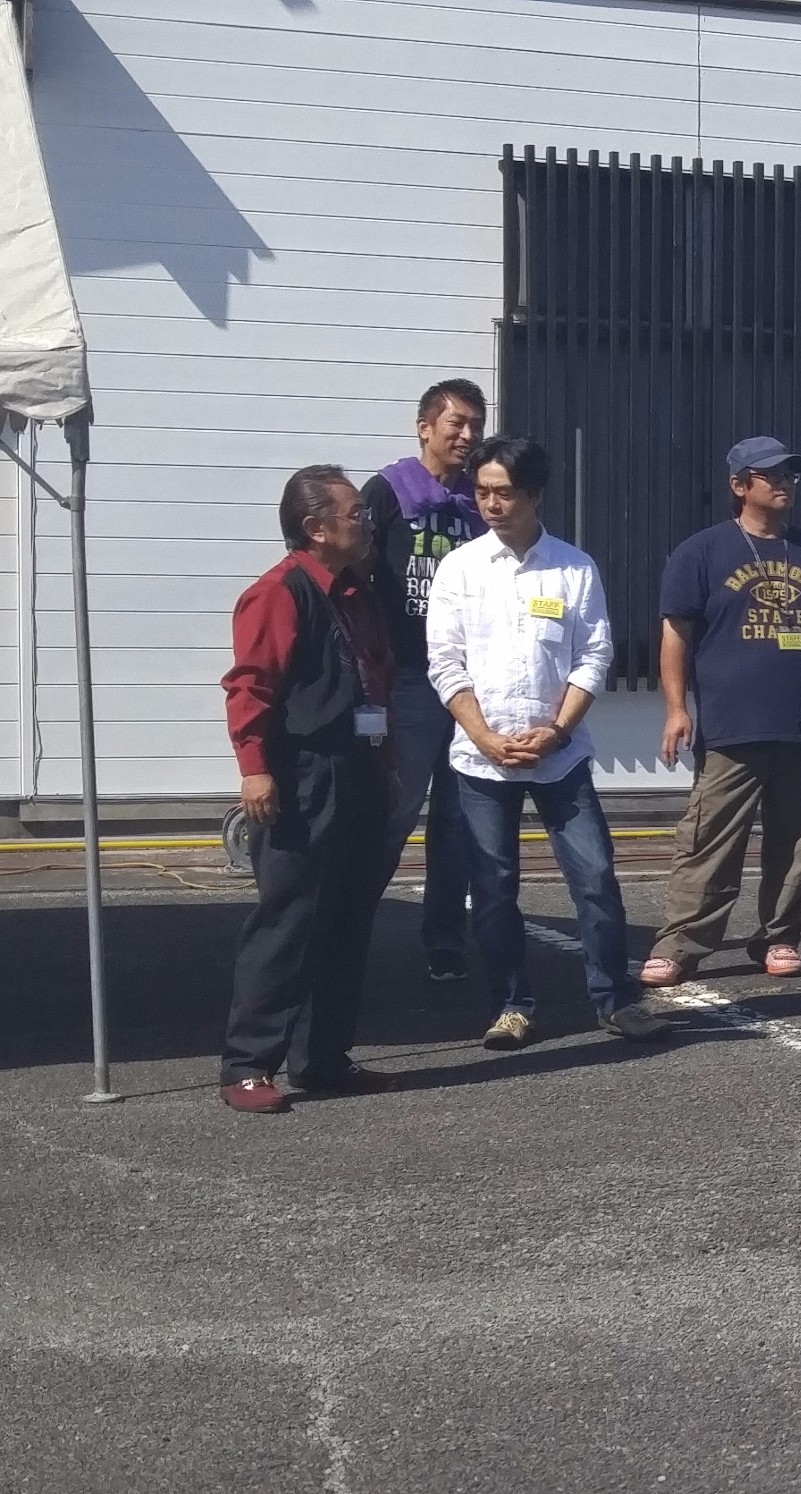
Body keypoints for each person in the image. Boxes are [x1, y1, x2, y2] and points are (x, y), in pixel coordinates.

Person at [426, 434, 671, 1048]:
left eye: (505, 493)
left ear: (535, 495)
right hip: (480, 760)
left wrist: (557, 728)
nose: (491, 504)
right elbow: (444, 661)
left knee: (595, 875)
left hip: (561, 755)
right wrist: (483, 735)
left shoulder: (573, 567)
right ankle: (511, 1005)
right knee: (492, 888)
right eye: (482, 492)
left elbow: (594, 655)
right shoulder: (459, 568)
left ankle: (615, 999)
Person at [216, 466, 399, 1113]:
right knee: (289, 920)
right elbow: (250, 686)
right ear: (316, 528)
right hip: (303, 773)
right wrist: (254, 767)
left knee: (347, 917)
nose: (366, 523)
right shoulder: (279, 592)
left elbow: (376, 679)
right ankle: (247, 1065)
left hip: (359, 767)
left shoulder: (357, 591)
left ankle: (324, 1058)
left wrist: (387, 762)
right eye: (355, 514)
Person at [637, 437, 801, 987]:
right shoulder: (700, 551)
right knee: (709, 840)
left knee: (797, 842)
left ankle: (780, 937)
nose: (784, 483)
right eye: (771, 475)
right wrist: (676, 708)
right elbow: (675, 635)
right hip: (731, 727)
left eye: (790, 474)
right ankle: (681, 944)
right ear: (739, 485)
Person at [362, 378, 488, 982]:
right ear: (424, 427)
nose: (467, 435)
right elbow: (357, 576)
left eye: (475, 426)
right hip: (408, 676)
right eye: (456, 423)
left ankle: (444, 941)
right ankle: (349, 926)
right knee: (396, 807)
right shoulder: (386, 492)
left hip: (467, 680)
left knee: (458, 817)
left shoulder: (481, 499)